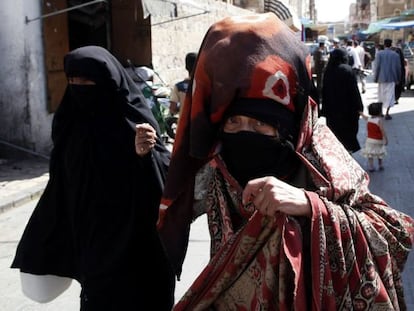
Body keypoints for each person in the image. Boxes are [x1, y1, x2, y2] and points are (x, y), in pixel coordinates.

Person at [154, 13, 414, 310]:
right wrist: (143, 155)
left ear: (288, 123)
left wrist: (309, 205)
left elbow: (395, 233)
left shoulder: (322, 160)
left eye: (261, 123)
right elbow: (167, 203)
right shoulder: (219, 168)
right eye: (234, 122)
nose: (245, 134)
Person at [11, 46, 175, 310]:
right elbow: (60, 184)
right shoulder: (69, 125)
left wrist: (144, 156)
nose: (79, 87)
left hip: (141, 246)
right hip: (95, 244)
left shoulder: (136, 124)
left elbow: (165, 182)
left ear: (108, 82)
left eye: (87, 81)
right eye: (72, 81)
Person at [321, 47, 365, 153]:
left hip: (332, 111)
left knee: (335, 136)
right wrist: (359, 107)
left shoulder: (328, 71)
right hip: (347, 111)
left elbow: (324, 92)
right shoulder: (347, 70)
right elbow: (354, 91)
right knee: (347, 136)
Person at [373, 38, 402, 120]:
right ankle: (387, 113)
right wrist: (398, 78)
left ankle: (381, 112)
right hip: (392, 78)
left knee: (381, 95)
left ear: (384, 45)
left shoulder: (379, 54)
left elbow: (377, 67)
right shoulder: (395, 55)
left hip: (381, 78)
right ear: (391, 44)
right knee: (390, 96)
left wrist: (375, 77)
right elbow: (398, 68)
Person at [169, 52, 197, 116]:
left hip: (184, 122)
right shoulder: (204, 86)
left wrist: (181, 108)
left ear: (186, 67)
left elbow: (172, 108)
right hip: (199, 123)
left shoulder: (179, 87)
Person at [362, 102, 388, 172]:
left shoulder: (369, 119)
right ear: (379, 112)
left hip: (369, 139)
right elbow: (382, 130)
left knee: (370, 153)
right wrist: (386, 139)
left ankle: (371, 166)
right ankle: (380, 165)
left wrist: (360, 113)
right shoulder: (379, 121)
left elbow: (364, 117)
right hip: (378, 140)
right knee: (380, 153)